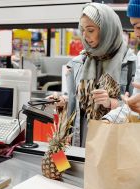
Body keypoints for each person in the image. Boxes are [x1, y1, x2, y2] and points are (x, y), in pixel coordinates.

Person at [53, 2, 137, 147]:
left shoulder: (130, 63)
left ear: (107, 30)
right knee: (73, 169)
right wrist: (63, 100)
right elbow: (76, 101)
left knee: (101, 169)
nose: (84, 36)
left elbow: (135, 112)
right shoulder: (79, 62)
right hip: (79, 138)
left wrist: (110, 102)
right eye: (82, 30)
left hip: (112, 143)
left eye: (90, 30)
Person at [103, 0, 140, 122]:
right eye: (134, 27)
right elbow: (132, 107)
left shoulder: (129, 60)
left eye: (139, 26)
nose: (136, 33)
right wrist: (108, 119)